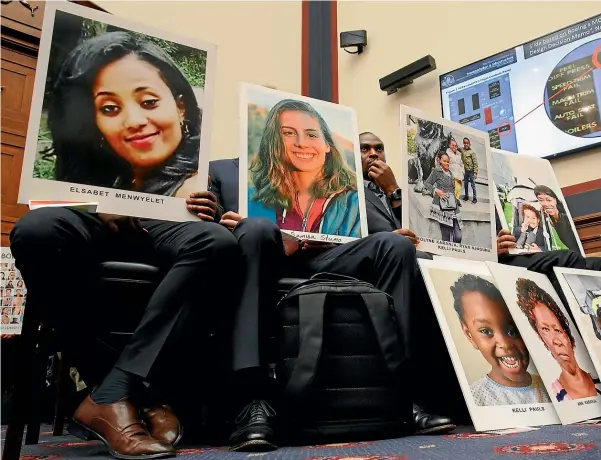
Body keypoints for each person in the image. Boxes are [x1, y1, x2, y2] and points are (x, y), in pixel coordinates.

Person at [209, 158, 456, 450]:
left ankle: (398, 393)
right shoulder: (220, 170)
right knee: (257, 229)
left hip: (323, 252)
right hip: (263, 249)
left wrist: (330, 236)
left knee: (395, 246)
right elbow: (211, 224)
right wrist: (231, 220)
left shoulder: (334, 168)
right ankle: (251, 400)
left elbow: (355, 225)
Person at [11, 176, 239, 459]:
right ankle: (134, 394)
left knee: (216, 240)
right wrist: (103, 204)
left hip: (157, 220)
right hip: (84, 213)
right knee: (35, 230)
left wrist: (204, 208)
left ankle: (116, 390)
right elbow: (46, 184)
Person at [47, 31, 202, 197]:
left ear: (180, 107)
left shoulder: (195, 192)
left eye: (149, 102)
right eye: (110, 108)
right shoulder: (108, 181)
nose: (134, 121)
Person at [248, 99, 360, 236]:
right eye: (289, 133)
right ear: (272, 141)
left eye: (311, 135)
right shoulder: (252, 199)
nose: (301, 143)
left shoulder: (355, 200)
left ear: (327, 145)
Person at [451, 274, 550, 406]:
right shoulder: (475, 399)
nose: (505, 344)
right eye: (486, 331)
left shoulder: (550, 387)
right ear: (470, 335)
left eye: (512, 331)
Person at [516, 278, 600, 401]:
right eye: (545, 329)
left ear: (567, 334)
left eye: (558, 330)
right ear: (540, 337)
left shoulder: (597, 376)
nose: (556, 341)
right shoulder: (552, 395)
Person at [422, 152, 462, 243]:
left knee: (458, 236)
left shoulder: (450, 172)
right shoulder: (436, 171)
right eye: (444, 161)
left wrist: (456, 200)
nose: (447, 163)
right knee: (446, 237)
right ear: (439, 160)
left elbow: (452, 189)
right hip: (442, 207)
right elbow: (426, 183)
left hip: (454, 207)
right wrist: (436, 191)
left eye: (448, 161)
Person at [534, 185, 580, 252]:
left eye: (548, 200)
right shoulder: (546, 218)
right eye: (541, 200)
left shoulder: (566, 218)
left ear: (555, 200)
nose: (545, 204)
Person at [459, 137, 478, 204]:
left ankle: (475, 198)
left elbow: (475, 163)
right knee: (466, 184)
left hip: (471, 171)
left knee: (473, 185)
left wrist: (475, 172)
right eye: (465, 143)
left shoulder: (472, 152)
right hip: (466, 171)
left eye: (467, 143)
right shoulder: (462, 149)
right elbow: (456, 148)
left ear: (469, 144)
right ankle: (466, 196)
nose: (466, 144)